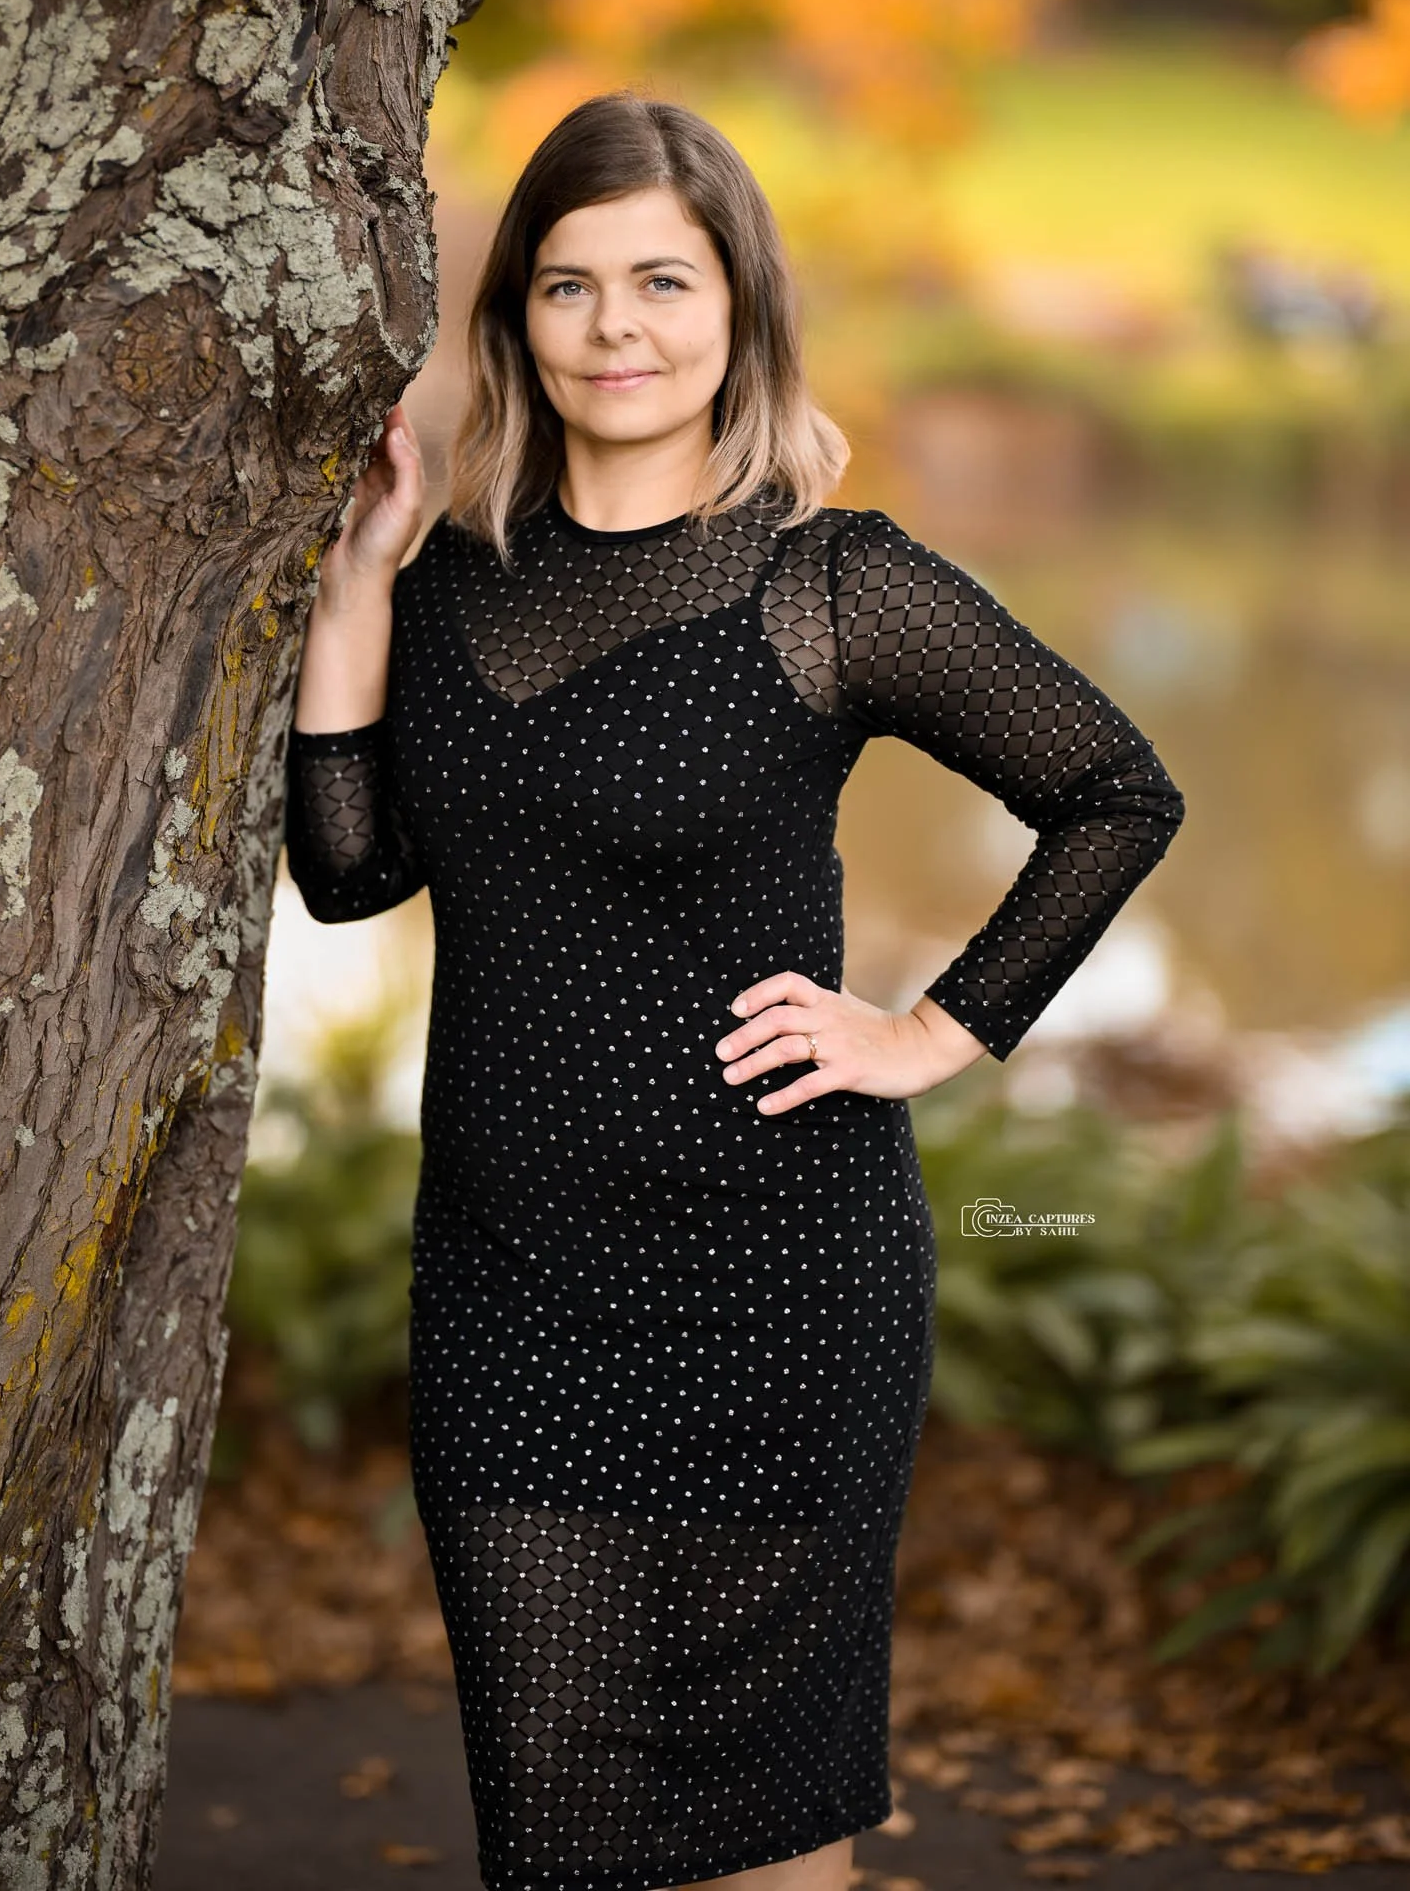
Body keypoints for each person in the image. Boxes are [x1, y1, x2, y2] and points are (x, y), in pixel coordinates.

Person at [283, 91, 1186, 1891]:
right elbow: (350, 870)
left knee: (764, 1835)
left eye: (662, 283)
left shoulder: (826, 585)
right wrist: (356, 594)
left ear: (739, 309)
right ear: (513, 320)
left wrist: (930, 1031)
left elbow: (1114, 793)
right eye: (567, 286)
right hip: (508, 1296)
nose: (616, 329)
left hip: (782, 1288)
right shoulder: (453, 590)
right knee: (558, 1826)